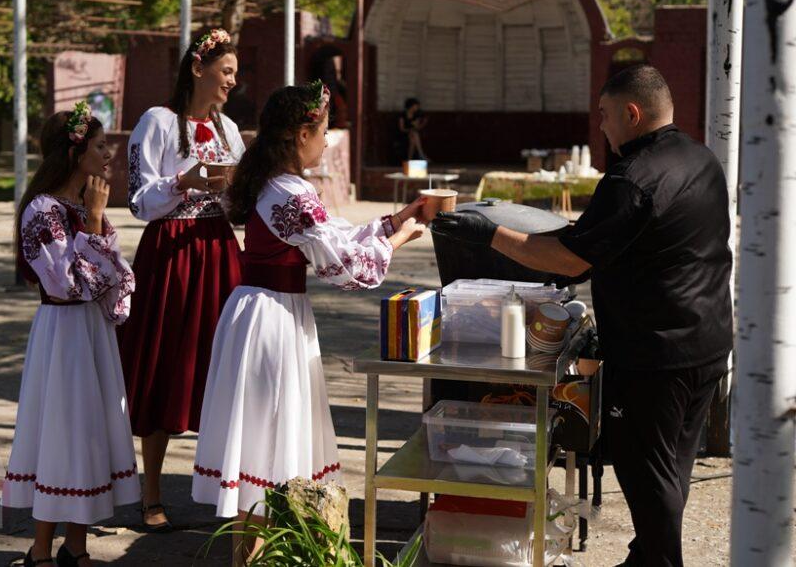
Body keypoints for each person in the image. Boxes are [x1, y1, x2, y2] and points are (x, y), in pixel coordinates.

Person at [433, 65, 732, 567]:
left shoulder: (632, 178)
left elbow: (571, 260)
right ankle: (647, 556)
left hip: (654, 352)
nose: (603, 128)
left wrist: (487, 233)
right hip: (708, 342)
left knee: (644, 471)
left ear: (632, 113)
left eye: (606, 116)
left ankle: (661, 562)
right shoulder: (700, 158)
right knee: (673, 465)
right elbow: (614, 237)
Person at [191, 82, 427, 565]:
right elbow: (343, 265)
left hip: (264, 312)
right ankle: (250, 557)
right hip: (270, 320)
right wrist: (399, 239)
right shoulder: (290, 191)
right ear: (301, 134)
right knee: (266, 438)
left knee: (267, 439)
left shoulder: (276, 183)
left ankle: (250, 555)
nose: (328, 140)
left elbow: (332, 233)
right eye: (325, 131)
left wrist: (392, 221)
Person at [118, 28, 245, 532]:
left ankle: (232, 491)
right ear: (198, 68)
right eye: (227, 71)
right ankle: (151, 493)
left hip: (218, 251)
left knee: (227, 369)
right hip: (171, 255)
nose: (232, 82)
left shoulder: (229, 129)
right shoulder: (158, 122)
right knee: (164, 366)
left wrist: (237, 186)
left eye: (236, 73)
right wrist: (182, 181)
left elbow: (236, 202)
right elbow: (138, 202)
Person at [2, 103, 139, 567]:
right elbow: (69, 285)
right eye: (100, 145)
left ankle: (76, 544)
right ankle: (41, 547)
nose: (109, 154)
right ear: (75, 152)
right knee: (62, 432)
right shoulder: (43, 211)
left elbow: (118, 279)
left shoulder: (84, 208)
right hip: (62, 335)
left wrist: (97, 228)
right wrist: (97, 227)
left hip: (93, 334)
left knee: (89, 433)